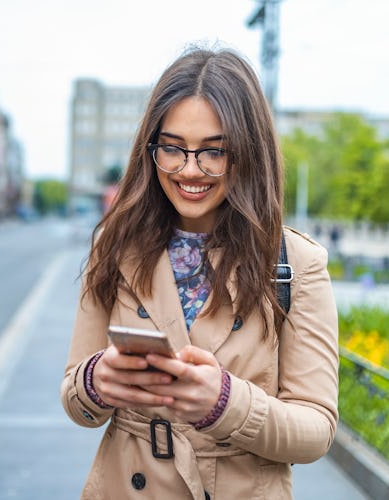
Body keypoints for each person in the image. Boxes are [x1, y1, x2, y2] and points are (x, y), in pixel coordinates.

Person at [60, 47, 339, 499]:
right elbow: (77, 401)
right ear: (150, 149)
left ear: (249, 153)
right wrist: (96, 381)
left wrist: (226, 403)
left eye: (214, 152)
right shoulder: (113, 243)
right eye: (172, 148)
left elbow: (316, 429)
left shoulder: (296, 264)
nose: (190, 170)